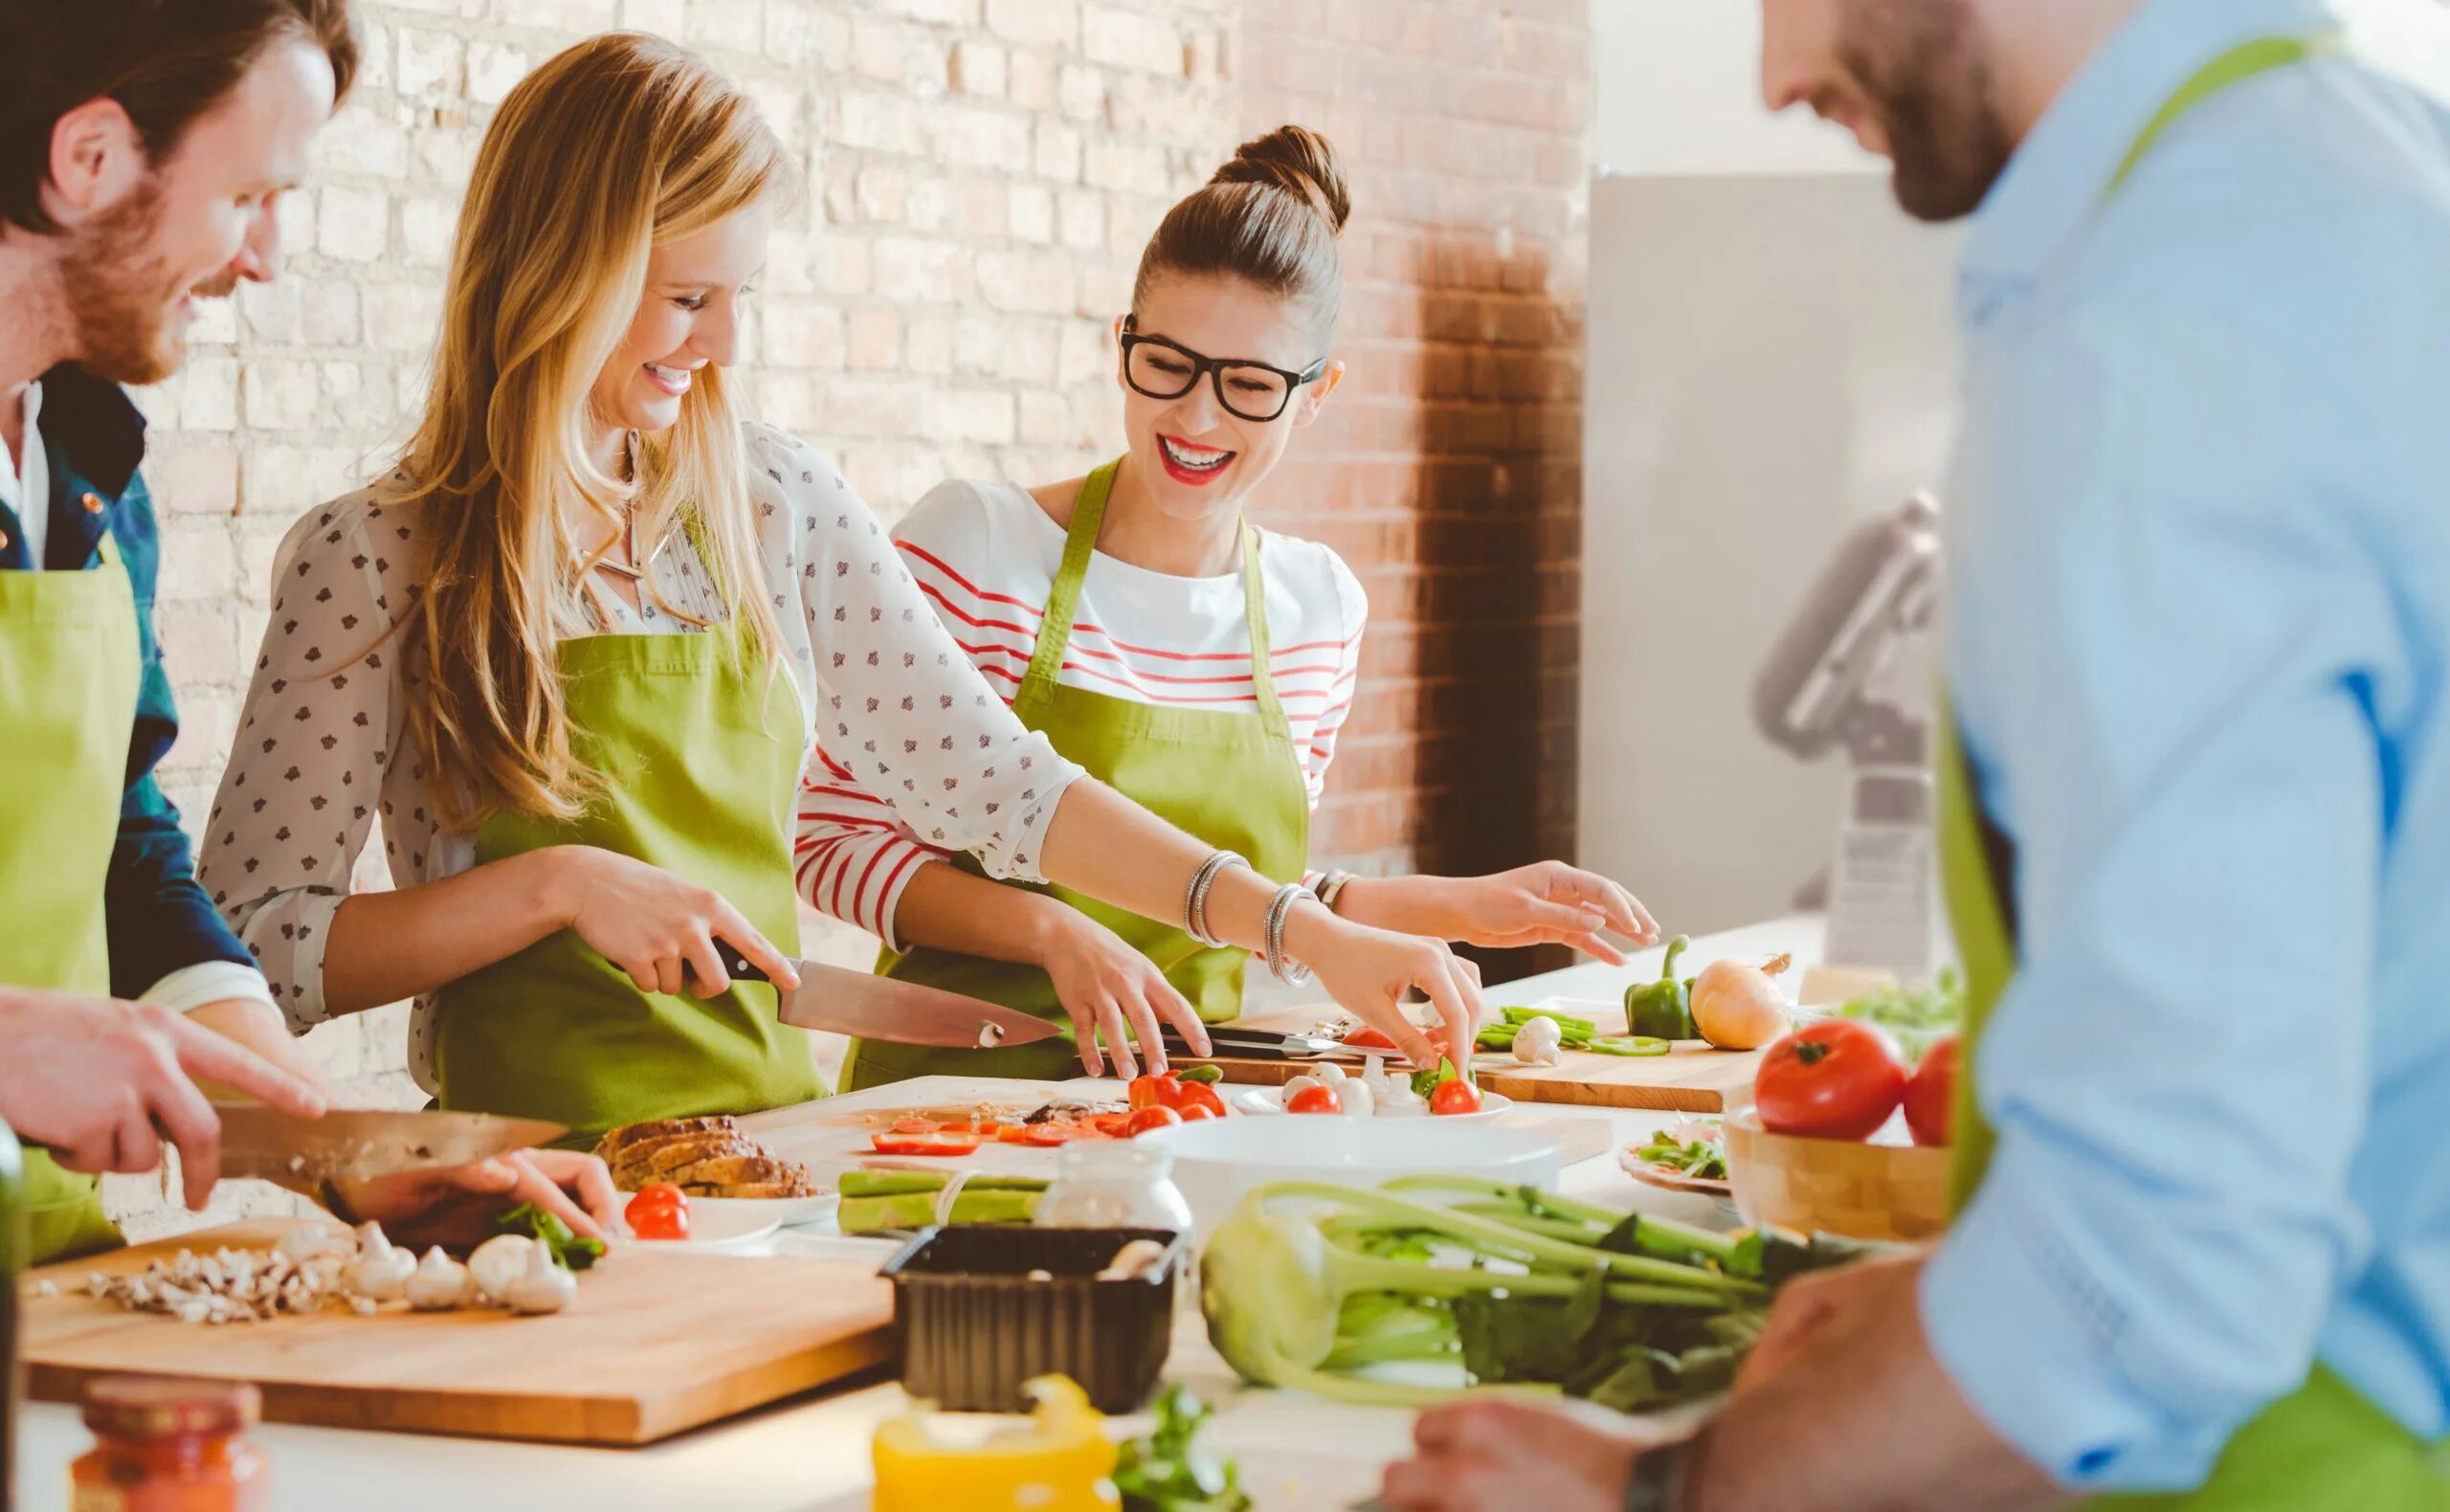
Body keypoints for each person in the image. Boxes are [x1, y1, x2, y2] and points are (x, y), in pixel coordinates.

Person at [1382, 0, 2450, 1507]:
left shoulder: (2164, 327)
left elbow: (2171, 1247)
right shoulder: (2360, 184)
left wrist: (1665, 1490)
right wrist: (1966, 1301)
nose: (1773, 76)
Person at [202, 34, 1492, 1146]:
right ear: (558, 270)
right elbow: (254, 945)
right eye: (687, 297)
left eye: (741, 296)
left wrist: (1298, 932)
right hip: (522, 1184)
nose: (720, 349)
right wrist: (551, 888)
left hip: (772, 1164)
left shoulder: (774, 508)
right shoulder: (379, 556)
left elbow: (1002, 789)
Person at [801, 125, 1657, 1089]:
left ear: (1316, 395)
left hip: (1185, 1109)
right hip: (948, 1106)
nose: (1197, 419)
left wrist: (1457, 904)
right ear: (1121, 341)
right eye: (1167, 363)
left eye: (1249, 385)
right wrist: (1053, 931)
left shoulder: (1316, 608)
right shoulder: (979, 549)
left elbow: (1257, 895)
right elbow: (829, 839)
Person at [0, 0, 612, 1263]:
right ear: (92, 159)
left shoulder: (86, 460)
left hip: (41, 1274)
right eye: (249, 197)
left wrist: (341, 1148)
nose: (268, 258)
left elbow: (118, 853)